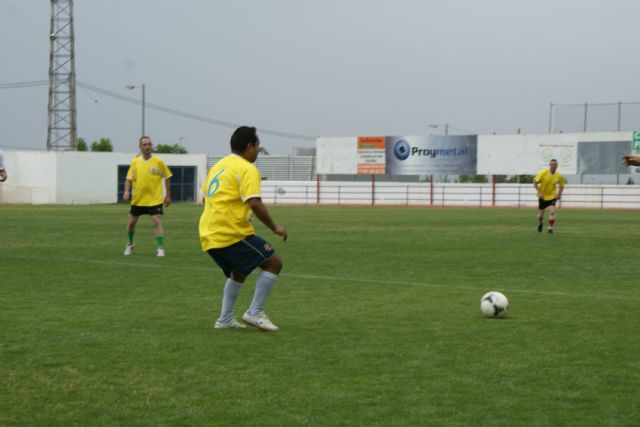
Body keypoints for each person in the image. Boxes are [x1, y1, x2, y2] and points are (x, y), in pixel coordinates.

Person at [199, 126, 287, 332]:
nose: (258, 151)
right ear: (249, 146)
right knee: (274, 262)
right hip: (230, 233)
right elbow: (255, 203)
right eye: (257, 146)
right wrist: (275, 227)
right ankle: (255, 312)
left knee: (239, 272)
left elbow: (207, 198)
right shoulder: (247, 169)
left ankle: (225, 319)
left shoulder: (219, 166)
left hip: (208, 233)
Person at [123, 136, 172, 256]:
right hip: (138, 199)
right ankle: (130, 244)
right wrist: (126, 191)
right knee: (131, 223)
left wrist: (168, 195)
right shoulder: (135, 162)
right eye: (144, 144)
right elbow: (128, 179)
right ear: (140, 147)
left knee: (156, 221)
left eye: (149, 144)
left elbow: (167, 177)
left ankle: (160, 248)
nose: (147, 146)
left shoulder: (158, 162)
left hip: (154, 199)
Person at [533, 158, 566, 234]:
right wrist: (539, 192)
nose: (553, 166)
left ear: (557, 166)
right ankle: (540, 223)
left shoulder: (559, 176)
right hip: (543, 197)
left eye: (555, 164)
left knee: (552, 212)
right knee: (541, 216)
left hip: (552, 196)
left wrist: (559, 193)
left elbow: (562, 185)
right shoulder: (543, 173)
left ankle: (550, 228)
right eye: (552, 164)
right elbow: (534, 182)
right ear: (549, 165)